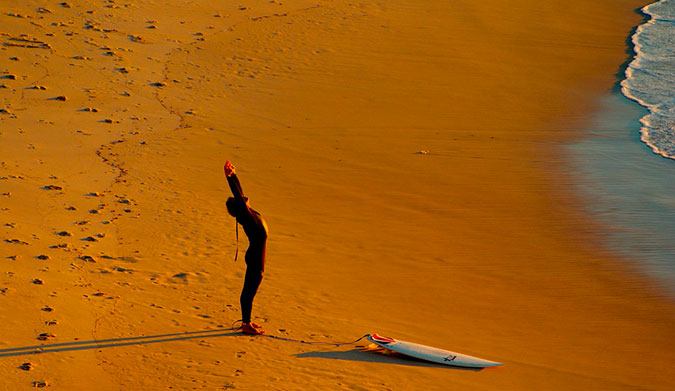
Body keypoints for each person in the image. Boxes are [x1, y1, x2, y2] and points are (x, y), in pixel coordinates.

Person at [223, 161, 268, 335]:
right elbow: (237, 194)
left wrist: (233, 174)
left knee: (251, 288)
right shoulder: (247, 216)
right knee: (249, 290)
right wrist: (228, 178)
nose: (243, 197)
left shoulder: (247, 213)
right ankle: (246, 324)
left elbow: (239, 193)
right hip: (256, 258)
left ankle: (246, 322)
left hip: (255, 255)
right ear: (240, 206)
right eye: (240, 200)